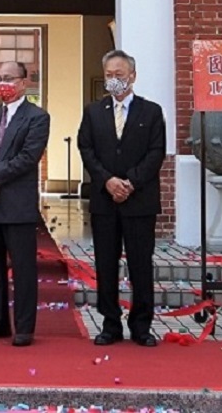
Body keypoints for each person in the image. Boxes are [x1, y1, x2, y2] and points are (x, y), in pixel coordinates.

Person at [78, 49, 166, 347]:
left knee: (140, 264)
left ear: (133, 76)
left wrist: (130, 182)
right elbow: (86, 149)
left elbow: (156, 152)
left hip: (139, 201)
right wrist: (107, 181)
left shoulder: (151, 111)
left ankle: (141, 326)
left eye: (119, 74)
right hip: (104, 201)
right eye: (109, 75)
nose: (114, 79)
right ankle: (110, 324)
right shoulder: (93, 112)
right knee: (105, 264)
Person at [0, 58, 51, 347]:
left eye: (9, 78)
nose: (2, 84)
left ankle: (24, 327)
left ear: (23, 82)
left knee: (23, 269)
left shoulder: (37, 117)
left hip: (17, 205)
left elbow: (28, 158)